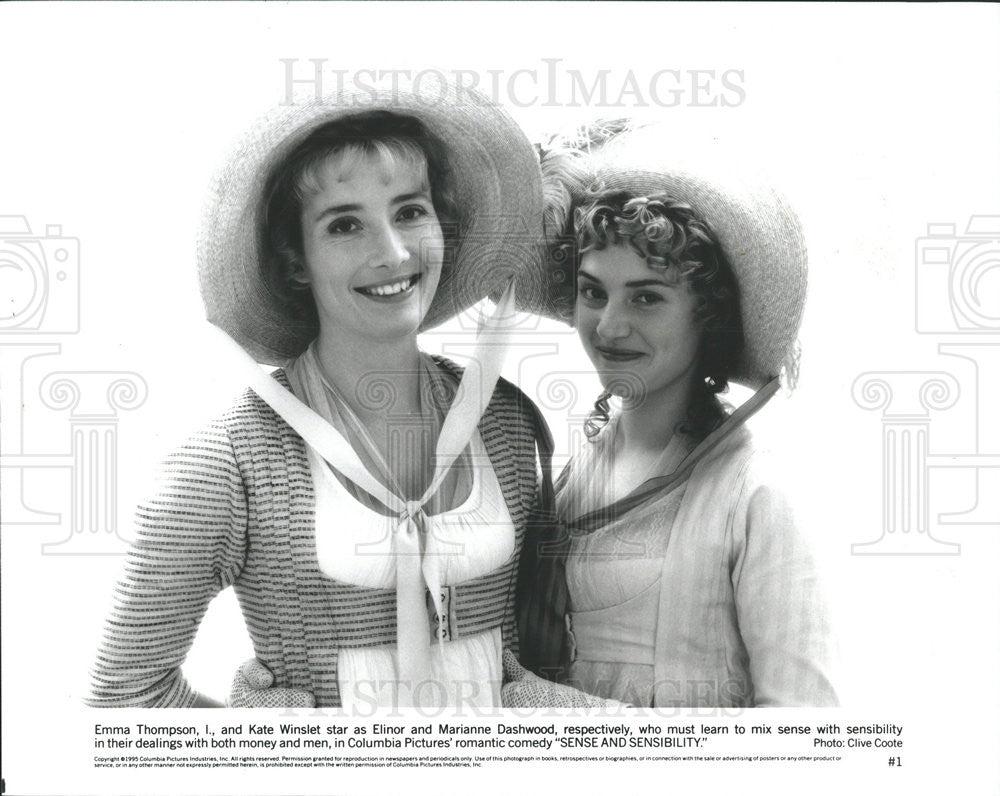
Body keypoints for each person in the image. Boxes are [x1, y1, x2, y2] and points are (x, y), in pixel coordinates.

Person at [86, 78, 546, 709]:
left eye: (411, 211)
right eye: (344, 225)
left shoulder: (506, 422)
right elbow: (124, 698)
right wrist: (280, 749)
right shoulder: (227, 463)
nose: (392, 252)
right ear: (296, 260)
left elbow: (522, 658)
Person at [512, 135, 839, 708]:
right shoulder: (575, 475)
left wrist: (580, 720)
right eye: (594, 292)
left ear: (705, 315)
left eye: (646, 299)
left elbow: (808, 732)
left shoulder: (755, 495)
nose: (609, 327)